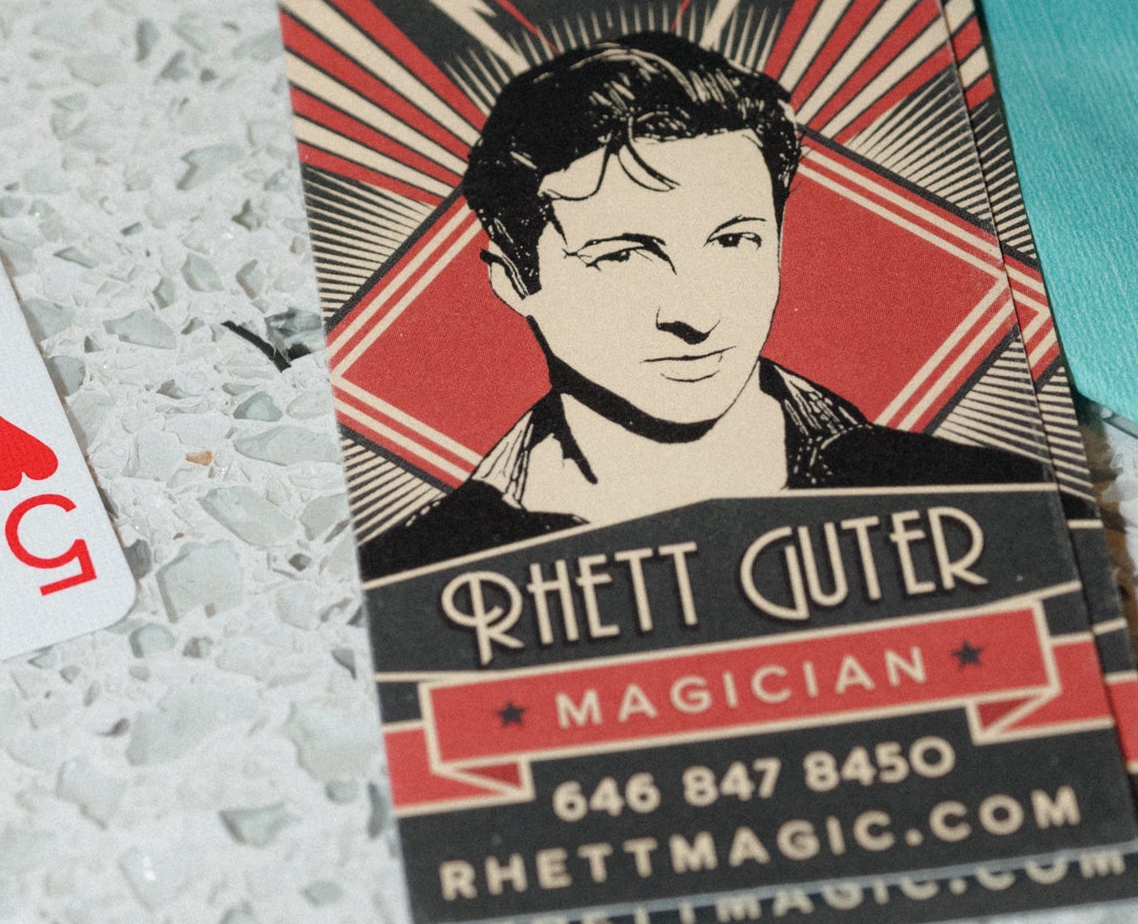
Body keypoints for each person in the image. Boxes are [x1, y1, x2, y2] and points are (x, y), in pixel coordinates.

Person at [366, 30, 1039, 583]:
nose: (695, 313)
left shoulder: (989, 501)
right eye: (624, 256)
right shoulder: (416, 577)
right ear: (515, 279)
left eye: (733, 240)